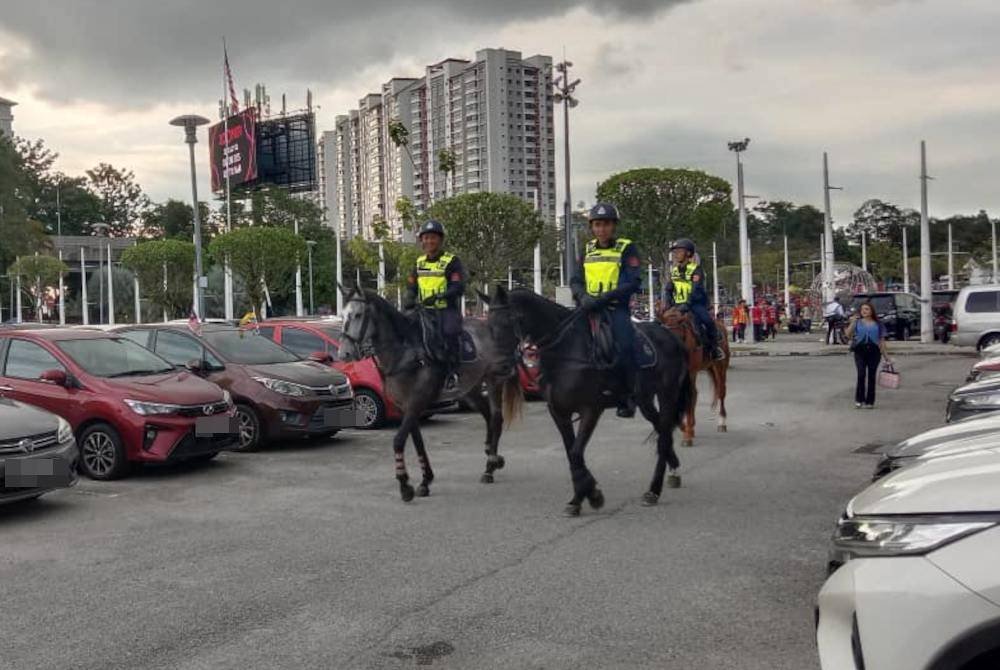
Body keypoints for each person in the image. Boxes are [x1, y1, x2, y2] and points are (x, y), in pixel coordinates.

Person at [570, 203, 642, 418]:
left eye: (606, 224)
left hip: (613, 308)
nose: (602, 229)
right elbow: (575, 279)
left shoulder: (626, 248)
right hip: (587, 307)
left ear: (614, 226)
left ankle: (627, 397)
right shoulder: (587, 249)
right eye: (598, 225)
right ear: (592, 227)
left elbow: (632, 282)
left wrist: (603, 299)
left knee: (625, 345)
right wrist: (582, 296)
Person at [403, 220, 466, 385]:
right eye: (426, 238)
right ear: (421, 241)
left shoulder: (451, 261)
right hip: (424, 310)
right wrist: (409, 296)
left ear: (440, 240)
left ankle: (453, 372)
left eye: (433, 238)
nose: (429, 241)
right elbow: (411, 284)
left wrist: (440, 296)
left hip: (445, 310)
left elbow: (458, 287)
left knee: (450, 332)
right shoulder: (419, 262)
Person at [663, 238, 725, 360]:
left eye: (679, 251)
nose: (675, 254)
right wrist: (668, 304)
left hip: (694, 304)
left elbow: (696, 290)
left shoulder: (696, 270)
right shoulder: (674, 271)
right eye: (674, 252)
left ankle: (714, 349)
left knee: (707, 322)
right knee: (661, 323)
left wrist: (686, 305)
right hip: (677, 305)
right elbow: (669, 289)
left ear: (688, 253)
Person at [845, 301, 890, 409]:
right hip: (860, 351)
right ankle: (859, 399)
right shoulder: (857, 322)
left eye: (866, 309)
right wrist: (852, 322)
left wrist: (886, 357)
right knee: (861, 375)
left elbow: (881, 341)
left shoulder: (878, 324)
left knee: (871, 376)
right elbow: (848, 335)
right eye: (862, 309)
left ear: (871, 311)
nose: (864, 311)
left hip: (874, 351)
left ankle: (870, 401)